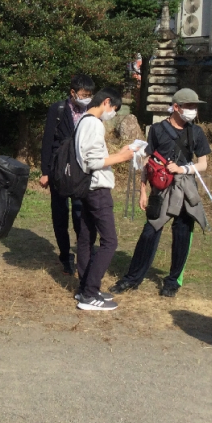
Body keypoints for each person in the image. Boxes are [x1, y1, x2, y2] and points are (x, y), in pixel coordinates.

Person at [110, 88, 211, 298]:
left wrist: (183, 169)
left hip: (185, 189)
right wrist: (143, 191)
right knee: (150, 232)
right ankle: (132, 279)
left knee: (182, 233)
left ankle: (172, 282)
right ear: (176, 107)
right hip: (161, 188)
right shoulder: (157, 130)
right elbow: (148, 161)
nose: (193, 110)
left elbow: (203, 164)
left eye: (195, 106)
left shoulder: (197, 132)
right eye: (189, 106)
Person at [73, 89, 134, 311]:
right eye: (114, 109)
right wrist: (123, 157)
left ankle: (85, 288)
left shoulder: (82, 121)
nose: (113, 114)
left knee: (86, 238)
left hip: (86, 188)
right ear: (106, 102)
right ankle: (89, 294)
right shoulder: (94, 123)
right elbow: (93, 161)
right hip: (97, 188)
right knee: (110, 242)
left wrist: (119, 153)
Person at [40, 74, 96, 275]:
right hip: (59, 168)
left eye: (89, 95)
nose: (86, 98)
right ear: (73, 92)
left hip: (82, 170)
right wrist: (45, 172)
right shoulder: (58, 109)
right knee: (60, 214)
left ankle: (84, 255)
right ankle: (65, 256)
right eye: (83, 94)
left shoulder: (92, 111)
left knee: (81, 214)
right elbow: (47, 141)